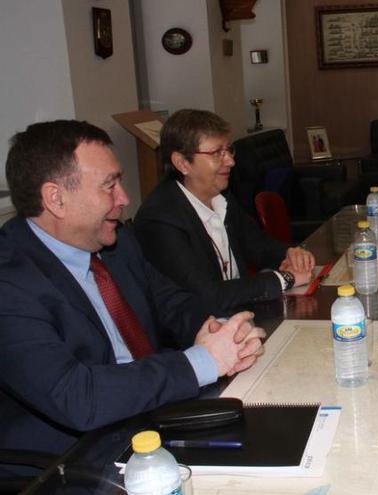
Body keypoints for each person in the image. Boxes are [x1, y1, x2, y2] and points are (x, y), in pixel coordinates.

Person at [0, 120, 265, 460]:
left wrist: (224, 332)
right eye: (108, 186)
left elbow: (171, 303)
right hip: (76, 459)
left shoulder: (116, 241)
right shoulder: (10, 283)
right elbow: (77, 397)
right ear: (56, 199)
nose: (124, 198)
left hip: (153, 414)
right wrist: (201, 361)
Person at [134, 109, 315, 311]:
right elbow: (208, 295)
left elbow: (259, 246)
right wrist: (285, 278)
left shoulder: (221, 196)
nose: (230, 161)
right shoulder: (160, 219)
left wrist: (290, 254)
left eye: (229, 150)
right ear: (182, 163)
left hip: (240, 316)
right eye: (217, 153)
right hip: (199, 334)